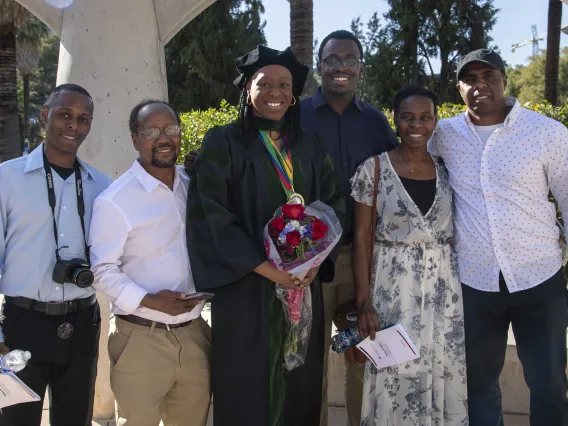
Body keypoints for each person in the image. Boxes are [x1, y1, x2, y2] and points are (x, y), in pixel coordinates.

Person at [186, 45, 344, 426]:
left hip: (301, 287)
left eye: (285, 85)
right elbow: (211, 213)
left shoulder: (309, 143)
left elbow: (334, 202)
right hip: (246, 288)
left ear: (294, 94)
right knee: (246, 380)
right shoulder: (222, 141)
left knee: (300, 381)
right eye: (265, 83)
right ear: (247, 89)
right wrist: (266, 268)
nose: (276, 92)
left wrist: (312, 264)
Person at [429, 48, 568, 425]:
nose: (480, 85)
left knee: (550, 384)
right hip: (475, 284)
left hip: (539, 279)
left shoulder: (548, 133)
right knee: (477, 385)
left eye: (488, 76)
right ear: (459, 88)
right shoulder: (443, 136)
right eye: (470, 79)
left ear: (504, 80)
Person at [89, 100, 211, 426]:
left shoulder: (194, 186)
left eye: (171, 129)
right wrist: (148, 300)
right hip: (140, 340)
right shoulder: (116, 200)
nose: (163, 138)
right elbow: (101, 270)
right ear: (135, 139)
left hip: (194, 334)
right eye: (152, 131)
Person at [351, 86, 468, 425]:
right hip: (392, 287)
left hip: (445, 291)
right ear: (395, 121)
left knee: (442, 370)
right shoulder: (373, 170)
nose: (417, 125)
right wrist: (363, 302)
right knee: (393, 373)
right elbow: (361, 237)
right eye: (407, 117)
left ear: (435, 121)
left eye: (425, 117)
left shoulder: (449, 168)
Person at [301, 30, 399, 426]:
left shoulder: (375, 122)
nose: (340, 66)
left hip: (364, 258)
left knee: (363, 351)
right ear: (319, 65)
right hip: (309, 262)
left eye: (349, 59)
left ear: (360, 67)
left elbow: (396, 179)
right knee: (309, 358)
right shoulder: (297, 116)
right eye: (332, 59)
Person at [0, 84, 112, 426]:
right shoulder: (6, 178)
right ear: (44, 116)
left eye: (83, 119)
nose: (73, 125)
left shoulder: (102, 185)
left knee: (75, 419)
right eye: (65, 115)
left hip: (81, 325)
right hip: (20, 328)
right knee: (14, 419)